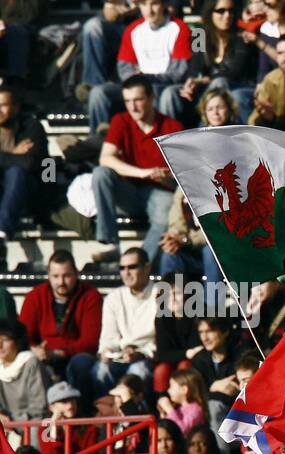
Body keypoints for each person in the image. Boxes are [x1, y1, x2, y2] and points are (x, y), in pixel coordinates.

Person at [89, 75, 183, 265]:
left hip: (160, 191)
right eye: (128, 101)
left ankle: (141, 264)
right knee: (100, 174)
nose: (133, 107)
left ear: (151, 98)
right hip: (129, 190)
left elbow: (182, 177)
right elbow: (105, 158)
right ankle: (109, 243)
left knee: (166, 211)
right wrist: (143, 173)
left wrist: (165, 178)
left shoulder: (171, 127)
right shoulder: (121, 121)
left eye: (138, 100)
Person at [87, 0, 191, 134]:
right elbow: (124, 69)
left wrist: (147, 78)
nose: (149, 10)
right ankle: (98, 143)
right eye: (143, 4)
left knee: (167, 95)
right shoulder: (133, 29)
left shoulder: (179, 28)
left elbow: (178, 73)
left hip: (163, 85)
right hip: (137, 84)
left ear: (164, 5)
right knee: (99, 93)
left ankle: (165, 145)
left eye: (154, 4)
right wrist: (137, 80)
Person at [66, 247, 155, 401]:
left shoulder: (162, 294)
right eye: (122, 268)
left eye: (132, 267)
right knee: (100, 370)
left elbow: (163, 339)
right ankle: (106, 413)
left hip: (147, 356)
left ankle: (135, 418)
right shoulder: (114, 297)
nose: (126, 273)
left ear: (147, 268)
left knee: (137, 372)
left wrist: (141, 353)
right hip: (120, 356)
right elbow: (108, 338)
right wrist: (107, 352)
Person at [18, 252, 104, 376]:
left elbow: (90, 342)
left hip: (76, 356)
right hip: (43, 355)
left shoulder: (91, 296)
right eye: (55, 276)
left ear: (76, 273)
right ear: (48, 276)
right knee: (28, 360)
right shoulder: (35, 296)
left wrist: (59, 352)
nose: (61, 282)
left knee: (81, 362)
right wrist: (35, 349)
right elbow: (23, 335)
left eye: (66, 276)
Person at [0, 88, 47, 262]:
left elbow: (33, 163)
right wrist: (14, 153)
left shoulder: (32, 127)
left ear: (16, 107)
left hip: (28, 191)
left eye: (3, 105)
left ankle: (1, 235)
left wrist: (5, 158)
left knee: (16, 172)